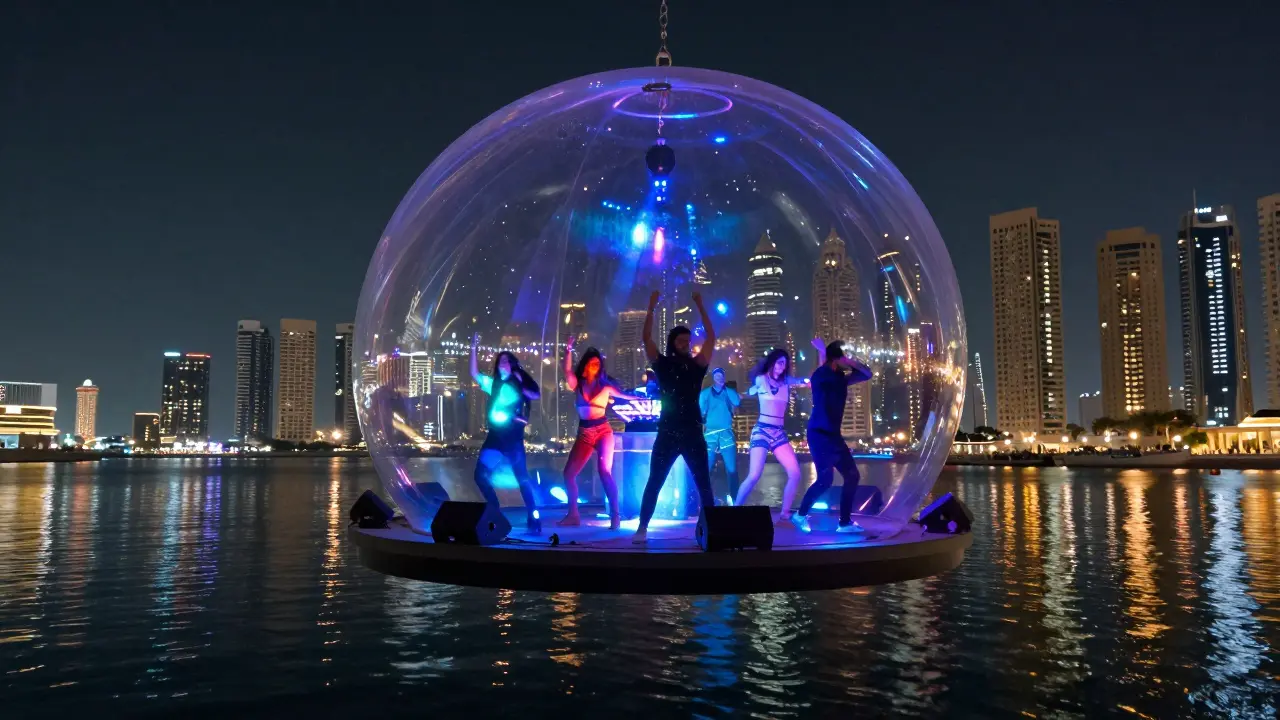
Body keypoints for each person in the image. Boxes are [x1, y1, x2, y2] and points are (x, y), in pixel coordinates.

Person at [632, 290, 717, 543]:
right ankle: (642, 527)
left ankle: (712, 530)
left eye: (688, 341)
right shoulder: (662, 364)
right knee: (655, 481)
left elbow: (712, 337)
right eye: (681, 341)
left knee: (704, 484)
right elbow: (646, 337)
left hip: (692, 431)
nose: (686, 344)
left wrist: (701, 303)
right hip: (667, 431)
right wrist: (650, 304)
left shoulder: (697, 365)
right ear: (673, 343)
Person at [559, 335, 642, 529]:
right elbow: (567, 370)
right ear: (586, 365)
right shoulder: (577, 384)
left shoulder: (605, 386)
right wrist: (568, 349)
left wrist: (642, 399)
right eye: (592, 363)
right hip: (585, 432)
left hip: (603, 431)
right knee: (569, 474)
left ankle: (615, 516)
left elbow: (625, 396)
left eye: (598, 363)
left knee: (604, 471)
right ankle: (573, 514)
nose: (595, 366)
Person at [792, 338, 874, 534]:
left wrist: (848, 361)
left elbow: (867, 373)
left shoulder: (841, 377)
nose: (848, 359)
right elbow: (825, 371)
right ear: (836, 359)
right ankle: (800, 515)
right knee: (825, 480)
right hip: (819, 434)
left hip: (833, 436)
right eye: (844, 356)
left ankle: (844, 523)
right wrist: (825, 354)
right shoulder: (820, 376)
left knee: (852, 476)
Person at [470, 334, 543, 532]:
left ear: (511, 364)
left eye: (505, 360)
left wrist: (520, 378)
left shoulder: (517, 382)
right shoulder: (492, 383)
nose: (502, 363)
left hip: (512, 438)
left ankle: (533, 517)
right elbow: (474, 373)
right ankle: (494, 508)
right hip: (495, 437)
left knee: (522, 478)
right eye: (499, 360)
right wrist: (473, 348)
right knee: (479, 474)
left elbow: (535, 394)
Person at [734, 348, 808, 522]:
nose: (782, 366)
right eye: (779, 362)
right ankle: (735, 509)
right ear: (772, 362)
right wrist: (743, 394)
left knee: (795, 473)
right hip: (761, 431)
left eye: (785, 363)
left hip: (779, 434)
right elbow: (750, 391)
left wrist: (816, 370)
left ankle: (785, 513)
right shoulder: (761, 380)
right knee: (754, 475)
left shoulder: (786, 382)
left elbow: (805, 381)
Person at [698, 367, 740, 503]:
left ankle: (735, 500)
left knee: (732, 470)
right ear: (713, 377)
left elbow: (737, 401)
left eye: (721, 375)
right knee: (705, 469)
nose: (719, 378)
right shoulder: (705, 393)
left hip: (726, 434)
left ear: (724, 377)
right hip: (710, 435)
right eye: (716, 375)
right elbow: (700, 410)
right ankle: (704, 500)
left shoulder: (729, 392)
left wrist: (726, 388)